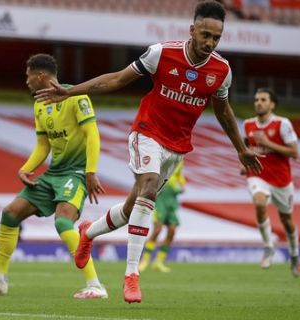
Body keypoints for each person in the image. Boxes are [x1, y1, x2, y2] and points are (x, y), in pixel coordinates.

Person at [36, 0, 262, 303]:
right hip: (146, 132)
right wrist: (71, 89)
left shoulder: (221, 71)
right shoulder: (161, 53)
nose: (209, 42)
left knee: (133, 209)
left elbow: (223, 111)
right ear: (192, 30)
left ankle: (88, 232)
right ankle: (131, 275)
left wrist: (241, 149)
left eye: (216, 38)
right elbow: (117, 79)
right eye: (205, 34)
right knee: (149, 188)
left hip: (177, 147)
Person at [0, 53, 108, 299]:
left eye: (28, 75)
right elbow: (43, 145)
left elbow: (92, 134)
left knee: (63, 220)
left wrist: (90, 172)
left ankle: (95, 285)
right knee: (10, 213)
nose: (26, 81)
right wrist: (26, 168)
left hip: (75, 172)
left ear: (40, 75)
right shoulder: (39, 104)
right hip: (53, 173)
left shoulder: (76, 96)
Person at [241, 88, 300, 277]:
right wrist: (244, 163)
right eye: (256, 99)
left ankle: (294, 254)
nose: (258, 102)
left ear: (272, 104)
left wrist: (268, 143)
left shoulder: (282, 124)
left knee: (287, 221)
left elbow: (294, 152)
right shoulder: (248, 124)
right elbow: (245, 146)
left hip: (281, 180)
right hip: (258, 175)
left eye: (263, 100)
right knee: (259, 203)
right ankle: (268, 246)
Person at [139, 161, 186, 273]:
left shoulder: (179, 158)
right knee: (157, 230)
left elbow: (178, 174)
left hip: (172, 196)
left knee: (172, 230)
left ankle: (158, 262)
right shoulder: (162, 155)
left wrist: (182, 184)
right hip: (160, 195)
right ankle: (144, 261)